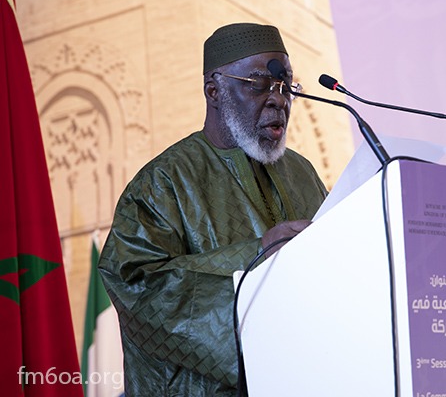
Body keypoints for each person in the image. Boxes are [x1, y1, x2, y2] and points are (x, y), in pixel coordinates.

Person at [98, 23, 327, 396]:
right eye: (259, 84)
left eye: (287, 86)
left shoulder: (301, 172)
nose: (278, 99)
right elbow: (133, 282)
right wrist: (255, 255)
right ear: (214, 90)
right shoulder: (164, 181)